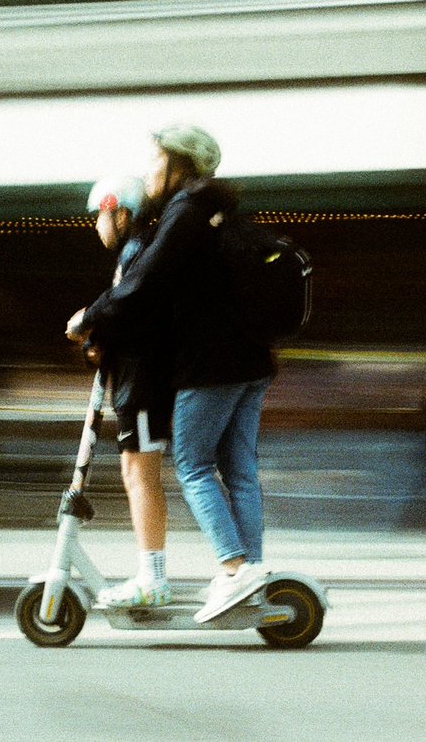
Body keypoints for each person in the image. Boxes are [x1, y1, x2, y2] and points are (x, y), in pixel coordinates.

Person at [69, 125, 276, 623]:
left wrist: (91, 320)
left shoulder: (186, 212)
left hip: (211, 362)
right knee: (239, 471)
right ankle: (250, 572)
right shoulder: (220, 211)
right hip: (251, 359)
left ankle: (234, 569)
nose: (149, 169)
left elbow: (147, 286)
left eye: (155, 158)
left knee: (194, 467)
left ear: (180, 163)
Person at [66, 174, 176, 608]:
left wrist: (89, 323)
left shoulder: (139, 251)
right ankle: (151, 574)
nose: (96, 225)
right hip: (136, 382)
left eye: (100, 215)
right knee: (136, 476)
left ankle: (154, 578)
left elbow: (132, 309)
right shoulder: (136, 253)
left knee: (142, 478)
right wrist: (97, 341)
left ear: (122, 212)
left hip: (145, 384)